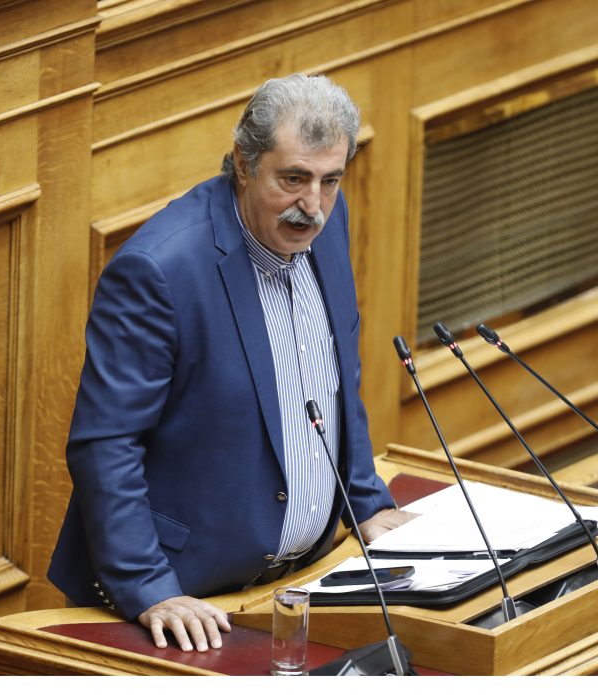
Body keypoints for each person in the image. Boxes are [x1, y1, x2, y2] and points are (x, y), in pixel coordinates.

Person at [48, 73, 412, 654]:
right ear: (244, 163)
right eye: (293, 179)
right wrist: (150, 588)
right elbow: (106, 444)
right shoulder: (159, 270)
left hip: (297, 585)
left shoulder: (326, 220)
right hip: (182, 605)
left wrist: (364, 500)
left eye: (330, 180)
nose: (312, 207)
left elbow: (334, 377)